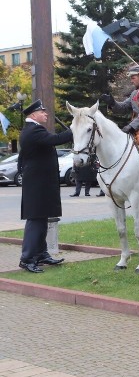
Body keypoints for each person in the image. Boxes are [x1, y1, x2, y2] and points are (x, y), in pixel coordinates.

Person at [18, 99, 73, 273]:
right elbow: (56, 139)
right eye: (43, 112)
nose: (46, 114)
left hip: (38, 182)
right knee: (35, 220)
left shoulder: (32, 130)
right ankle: (27, 259)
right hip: (37, 183)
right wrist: (76, 128)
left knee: (41, 219)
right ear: (33, 115)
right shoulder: (34, 130)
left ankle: (41, 254)